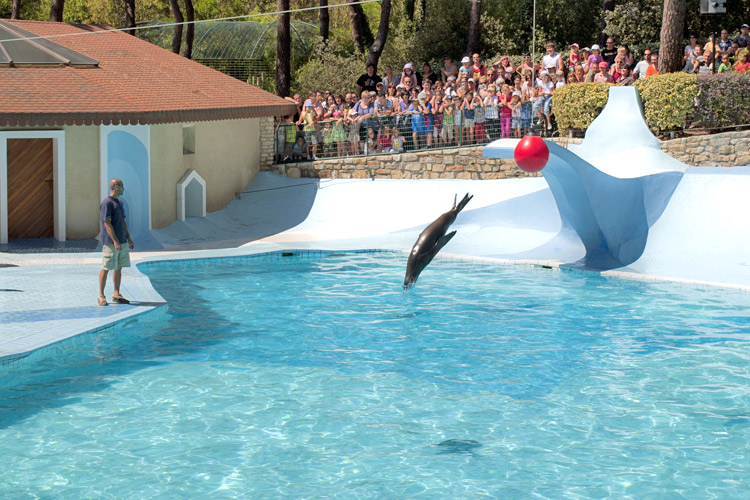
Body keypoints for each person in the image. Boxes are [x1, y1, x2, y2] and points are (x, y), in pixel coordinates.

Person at [98, 178, 134, 306]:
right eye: (122, 186)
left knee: (119, 268)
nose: (124, 188)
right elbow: (107, 223)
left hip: (122, 241)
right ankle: (101, 296)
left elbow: (123, 222)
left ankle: (116, 293)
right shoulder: (107, 203)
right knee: (106, 267)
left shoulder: (119, 202)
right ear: (116, 186)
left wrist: (128, 239)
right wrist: (115, 241)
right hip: (110, 242)